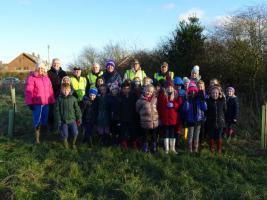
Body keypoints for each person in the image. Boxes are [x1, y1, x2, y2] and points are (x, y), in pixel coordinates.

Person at [25, 61, 55, 144]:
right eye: (39, 68)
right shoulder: (32, 78)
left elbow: (50, 90)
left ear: (45, 69)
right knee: (37, 120)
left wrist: (52, 100)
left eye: (42, 68)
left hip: (46, 103)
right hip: (37, 104)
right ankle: (37, 139)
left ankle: (44, 136)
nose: (41, 69)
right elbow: (29, 91)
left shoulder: (47, 78)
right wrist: (29, 103)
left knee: (44, 120)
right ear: (37, 68)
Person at [157, 81, 183, 154]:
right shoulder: (162, 95)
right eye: (168, 87)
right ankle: (167, 149)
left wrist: (173, 104)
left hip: (173, 118)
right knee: (166, 133)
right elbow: (159, 106)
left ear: (173, 87)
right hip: (165, 118)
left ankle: (172, 148)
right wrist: (159, 117)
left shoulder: (176, 95)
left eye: (171, 87)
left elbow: (179, 104)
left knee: (172, 133)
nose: (170, 88)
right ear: (166, 88)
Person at [54, 83, 82, 149]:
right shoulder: (59, 99)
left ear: (70, 90)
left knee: (75, 133)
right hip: (63, 121)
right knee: (65, 135)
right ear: (61, 90)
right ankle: (66, 145)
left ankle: (73, 144)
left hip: (72, 120)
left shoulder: (73, 98)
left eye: (67, 90)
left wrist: (79, 118)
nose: (65, 91)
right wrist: (58, 120)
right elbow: (56, 111)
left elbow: (77, 109)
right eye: (64, 90)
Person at [183, 83, 207, 153]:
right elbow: (185, 109)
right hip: (190, 120)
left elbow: (205, 108)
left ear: (196, 91)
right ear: (189, 92)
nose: (193, 92)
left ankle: (195, 148)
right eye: (191, 91)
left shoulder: (199, 99)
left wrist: (203, 100)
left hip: (198, 120)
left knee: (196, 135)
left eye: (194, 91)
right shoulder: (188, 100)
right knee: (190, 135)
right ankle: (189, 149)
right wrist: (187, 100)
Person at [136, 84, 159, 153]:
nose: (149, 93)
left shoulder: (155, 99)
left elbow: (157, 108)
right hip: (145, 122)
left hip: (154, 121)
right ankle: (145, 148)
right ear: (144, 91)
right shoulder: (140, 100)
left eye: (151, 92)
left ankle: (154, 147)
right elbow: (137, 109)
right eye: (148, 91)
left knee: (154, 136)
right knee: (145, 136)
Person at [47, 58, 67, 131]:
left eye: (58, 63)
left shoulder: (64, 73)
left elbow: (66, 84)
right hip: (51, 95)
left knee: (61, 111)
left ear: (60, 64)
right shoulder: (48, 73)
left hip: (61, 95)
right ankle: (51, 127)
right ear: (52, 64)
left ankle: (62, 127)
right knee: (51, 112)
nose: (56, 64)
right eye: (54, 63)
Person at [206, 86, 227, 154]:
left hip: (220, 122)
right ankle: (211, 149)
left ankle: (219, 149)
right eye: (213, 93)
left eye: (216, 93)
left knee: (219, 136)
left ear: (219, 94)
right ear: (211, 94)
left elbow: (225, 109)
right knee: (211, 136)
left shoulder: (222, 101)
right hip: (211, 122)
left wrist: (222, 96)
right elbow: (206, 112)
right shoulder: (208, 101)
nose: (215, 94)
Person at [119, 80, 136, 149]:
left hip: (132, 117)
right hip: (123, 117)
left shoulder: (133, 96)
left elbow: (135, 107)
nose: (126, 90)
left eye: (128, 88)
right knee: (123, 131)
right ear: (122, 89)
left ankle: (134, 143)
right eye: (124, 89)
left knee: (133, 130)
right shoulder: (120, 97)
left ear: (130, 89)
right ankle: (124, 143)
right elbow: (118, 108)